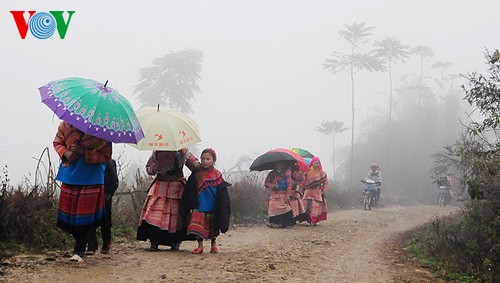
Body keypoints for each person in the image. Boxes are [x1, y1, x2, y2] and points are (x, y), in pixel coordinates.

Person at [53, 121, 112, 262]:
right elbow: (57, 142)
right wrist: (66, 153)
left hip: (91, 178)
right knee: (70, 217)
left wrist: (83, 153)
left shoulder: (102, 132)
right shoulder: (65, 126)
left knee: (84, 218)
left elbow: (106, 156)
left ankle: (79, 250)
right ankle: (82, 245)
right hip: (70, 175)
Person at [137, 149, 200, 251]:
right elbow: (149, 169)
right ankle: (154, 241)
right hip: (160, 186)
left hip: (176, 187)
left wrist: (197, 165)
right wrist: (154, 168)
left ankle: (175, 241)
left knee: (177, 218)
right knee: (154, 215)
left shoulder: (182, 151)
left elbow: (193, 163)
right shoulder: (156, 152)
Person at [185, 148, 231, 254]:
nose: (205, 161)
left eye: (208, 159)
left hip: (212, 204)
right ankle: (200, 245)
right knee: (197, 226)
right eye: (203, 158)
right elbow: (190, 188)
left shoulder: (217, 175)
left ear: (213, 160)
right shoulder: (196, 173)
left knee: (213, 226)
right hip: (199, 204)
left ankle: (213, 245)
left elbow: (222, 192)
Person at [86, 159, 119, 255]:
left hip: (105, 196)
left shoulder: (109, 162)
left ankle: (106, 244)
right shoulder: (89, 162)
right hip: (91, 194)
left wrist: (107, 196)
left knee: (106, 221)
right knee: (90, 220)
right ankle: (91, 246)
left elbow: (114, 182)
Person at [264, 161, 295, 228]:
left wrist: (287, 196)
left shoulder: (286, 174)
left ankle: (285, 223)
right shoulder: (272, 174)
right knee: (273, 207)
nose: (278, 166)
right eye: (276, 164)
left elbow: (289, 185)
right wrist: (273, 186)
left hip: (284, 194)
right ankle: (273, 222)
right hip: (274, 194)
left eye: (280, 164)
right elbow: (266, 183)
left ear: (283, 165)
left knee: (285, 208)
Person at [303, 157, 328, 225]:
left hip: (317, 192)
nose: (316, 164)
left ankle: (315, 220)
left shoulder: (321, 173)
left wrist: (324, 190)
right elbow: (303, 181)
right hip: (308, 191)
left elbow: (325, 182)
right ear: (312, 163)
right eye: (315, 163)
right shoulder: (307, 172)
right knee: (307, 205)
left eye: (318, 163)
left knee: (316, 206)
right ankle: (309, 220)